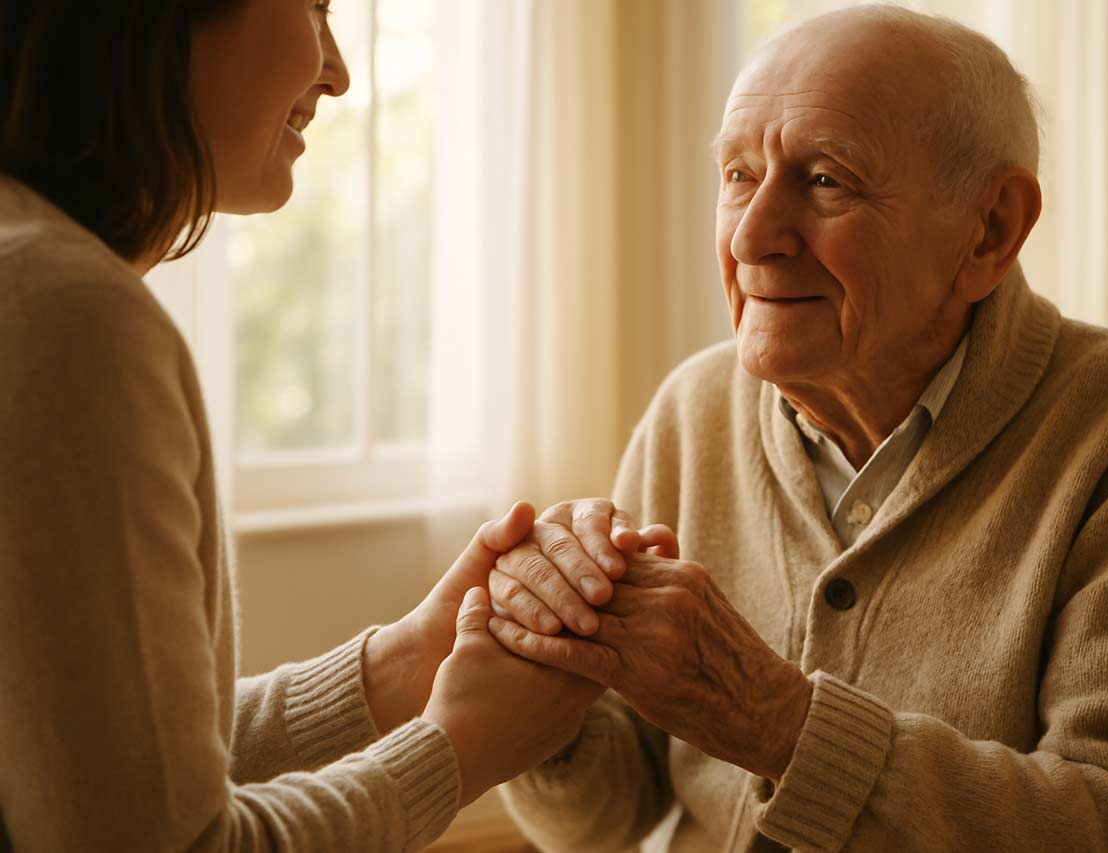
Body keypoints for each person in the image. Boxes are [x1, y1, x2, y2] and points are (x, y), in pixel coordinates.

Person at [483, 5, 1108, 851]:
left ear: (990, 230)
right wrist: (540, 666)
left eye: (824, 180)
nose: (752, 236)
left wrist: (771, 719)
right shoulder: (692, 410)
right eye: (738, 175)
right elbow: (603, 813)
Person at [0, 1, 642, 848]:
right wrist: (458, 750)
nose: (338, 71)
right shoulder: (68, 321)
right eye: (314, 5)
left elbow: (110, 769)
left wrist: (404, 665)